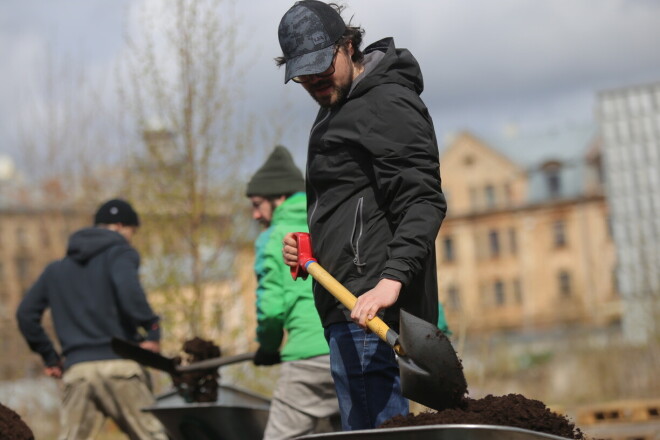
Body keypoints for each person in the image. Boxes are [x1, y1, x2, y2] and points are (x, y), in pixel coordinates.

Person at [277, 1, 447, 430]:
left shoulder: (385, 103)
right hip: (347, 303)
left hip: (372, 308)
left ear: (348, 45)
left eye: (321, 66)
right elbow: (358, 204)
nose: (314, 80)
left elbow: (422, 199)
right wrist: (317, 248)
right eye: (303, 73)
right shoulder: (338, 105)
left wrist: (391, 279)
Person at [16, 199, 168, 440]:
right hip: (121, 364)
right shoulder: (120, 253)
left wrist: (50, 357)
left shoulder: (56, 270)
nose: (131, 238)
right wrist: (152, 328)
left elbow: (25, 314)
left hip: (78, 372)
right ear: (120, 226)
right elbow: (128, 290)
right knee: (153, 436)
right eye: (132, 232)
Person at [246, 145, 339, 440]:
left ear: (281, 198)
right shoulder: (329, 220)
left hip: (307, 358)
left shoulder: (274, 238)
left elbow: (272, 310)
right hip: (349, 348)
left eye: (258, 204)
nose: (254, 214)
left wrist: (268, 346)